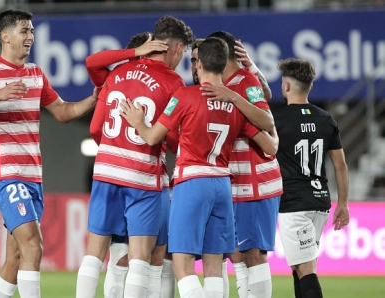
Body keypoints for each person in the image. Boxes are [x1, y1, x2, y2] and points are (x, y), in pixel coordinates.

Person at [120, 36, 278, 298]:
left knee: (183, 265)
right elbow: (271, 146)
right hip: (223, 186)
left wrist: (138, 122)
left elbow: (151, 137)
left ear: (200, 64)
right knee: (214, 266)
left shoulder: (185, 96)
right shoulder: (236, 104)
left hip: (192, 183)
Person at [0, 9, 97, 298]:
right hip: (7, 175)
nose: (31, 37)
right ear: (5, 36)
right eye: (24, 31)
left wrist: (94, 99)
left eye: (32, 31)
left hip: (33, 176)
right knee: (34, 245)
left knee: (16, 258)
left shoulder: (35, 73)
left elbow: (62, 112)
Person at [76, 15, 193, 298]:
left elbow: (92, 65)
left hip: (106, 171)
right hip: (142, 177)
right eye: (184, 54)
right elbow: (175, 140)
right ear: (176, 48)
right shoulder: (174, 83)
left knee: (95, 254)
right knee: (141, 259)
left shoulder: (117, 72)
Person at [201, 30, 282, 298]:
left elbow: (268, 123)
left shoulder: (244, 82)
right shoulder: (235, 81)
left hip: (256, 183)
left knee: (254, 255)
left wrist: (235, 98)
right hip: (237, 182)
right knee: (238, 254)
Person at [273, 58, 350, 298]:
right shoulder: (325, 118)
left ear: (286, 86)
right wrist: (343, 204)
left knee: (305, 270)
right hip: (320, 202)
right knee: (299, 268)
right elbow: (341, 165)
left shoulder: (277, 120)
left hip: (294, 204)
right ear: (311, 86)